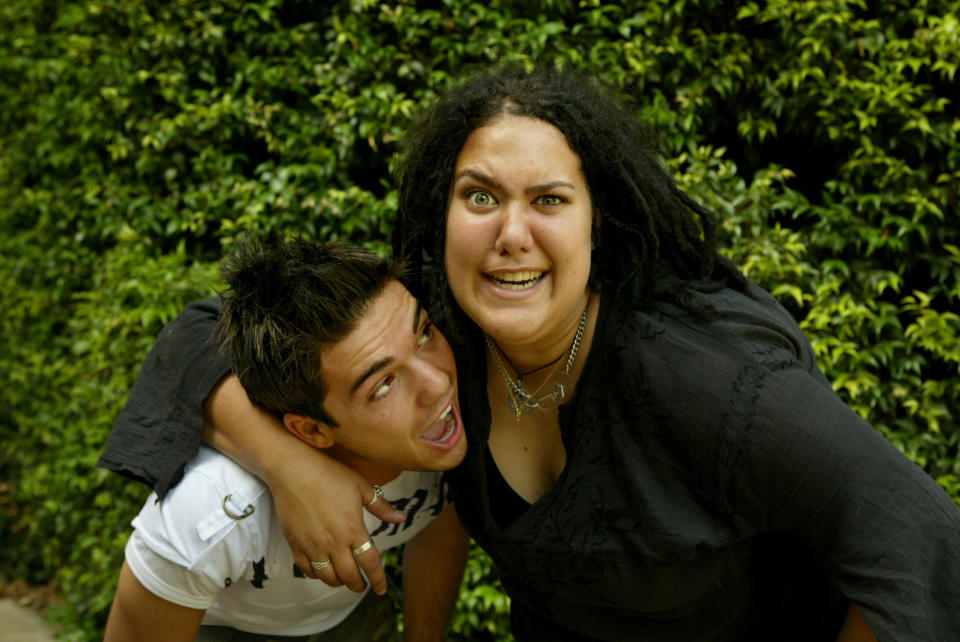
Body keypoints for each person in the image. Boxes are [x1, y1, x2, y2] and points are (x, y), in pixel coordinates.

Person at [99, 63, 960, 641]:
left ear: (599, 221)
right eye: (480, 197)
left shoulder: (706, 379)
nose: (511, 233)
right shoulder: (437, 335)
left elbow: (918, 538)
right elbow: (202, 329)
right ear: (443, 215)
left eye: (548, 198)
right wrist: (291, 468)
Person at [103, 239, 468, 641]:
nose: (438, 385)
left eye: (424, 333)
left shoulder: (446, 435)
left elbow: (440, 524)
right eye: (382, 385)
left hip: (357, 614)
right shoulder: (215, 510)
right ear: (311, 430)